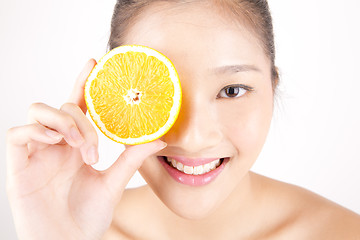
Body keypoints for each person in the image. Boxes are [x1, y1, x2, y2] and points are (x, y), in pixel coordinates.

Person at [6, 0, 360, 239]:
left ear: (272, 85)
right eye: (155, 93)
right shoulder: (71, 228)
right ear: (114, 93)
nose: (191, 138)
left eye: (232, 90)